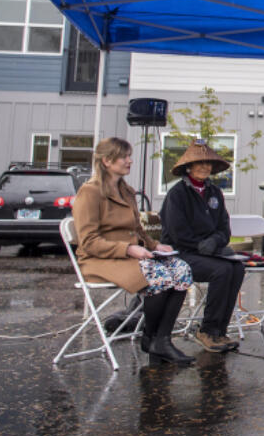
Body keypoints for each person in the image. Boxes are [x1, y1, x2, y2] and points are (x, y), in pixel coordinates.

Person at [72, 137, 195, 366]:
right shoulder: (90, 192)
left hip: (131, 256)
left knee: (181, 269)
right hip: (100, 260)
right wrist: (128, 249)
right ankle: (152, 338)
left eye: (129, 156)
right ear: (107, 161)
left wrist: (155, 245)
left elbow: (137, 228)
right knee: (158, 276)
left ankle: (161, 339)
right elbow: (88, 242)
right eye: (124, 156)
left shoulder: (126, 191)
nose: (130, 161)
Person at [159, 139, 245, 354]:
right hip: (181, 253)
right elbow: (177, 233)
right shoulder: (177, 194)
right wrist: (200, 245)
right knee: (222, 270)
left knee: (237, 268)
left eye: (208, 163)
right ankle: (206, 331)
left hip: (210, 251)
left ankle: (219, 331)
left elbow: (224, 229)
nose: (205, 167)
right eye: (200, 163)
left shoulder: (215, 192)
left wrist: (215, 241)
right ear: (189, 166)